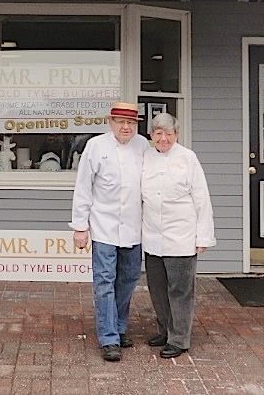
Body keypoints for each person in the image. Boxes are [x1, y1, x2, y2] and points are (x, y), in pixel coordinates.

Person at [70, 101, 148, 362]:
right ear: (110, 122)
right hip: (103, 226)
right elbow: (83, 188)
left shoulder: (144, 146)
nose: (126, 127)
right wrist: (80, 226)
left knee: (127, 280)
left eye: (131, 123)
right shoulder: (96, 146)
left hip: (134, 227)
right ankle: (109, 337)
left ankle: (120, 327)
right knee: (104, 282)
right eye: (120, 122)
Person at [141, 112, 215, 359]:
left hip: (181, 236)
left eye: (169, 134)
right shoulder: (146, 157)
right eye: (159, 133)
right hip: (153, 237)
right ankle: (164, 331)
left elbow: (201, 198)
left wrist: (203, 236)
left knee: (181, 290)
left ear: (176, 135)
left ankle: (179, 339)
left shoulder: (188, 158)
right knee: (158, 289)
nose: (164, 139)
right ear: (151, 135)